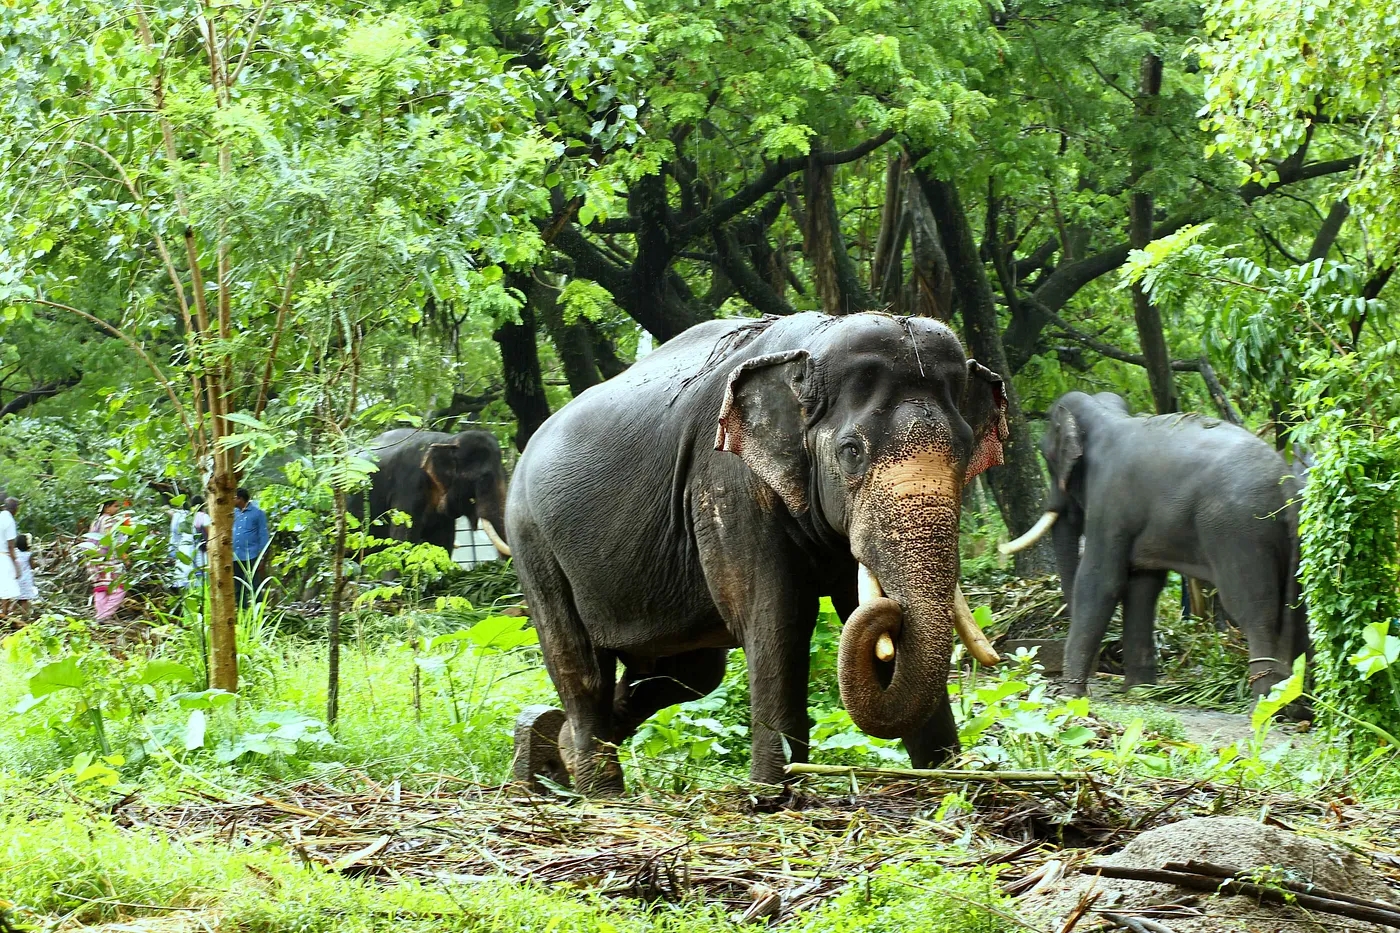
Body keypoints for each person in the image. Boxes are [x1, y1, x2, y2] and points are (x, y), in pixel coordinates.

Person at [84, 499, 129, 622]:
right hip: (107, 560)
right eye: (115, 506)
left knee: (101, 589)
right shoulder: (109, 521)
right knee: (119, 589)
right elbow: (114, 540)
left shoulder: (96, 521)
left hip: (94, 559)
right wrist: (124, 556)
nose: (117, 509)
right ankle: (103, 616)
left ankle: (100, 616)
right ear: (107, 508)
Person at [232, 487, 270, 607]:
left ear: (240, 499)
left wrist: (262, 556)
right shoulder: (233, 513)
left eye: (234, 498)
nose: (231, 500)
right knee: (238, 586)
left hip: (251, 555)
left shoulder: (257, 513)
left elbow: (263, 535)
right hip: (235, 555)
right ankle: (242, 611)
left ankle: (259, 610)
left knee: (254, 585)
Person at [170, 495, 210, 588]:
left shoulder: (186, 517)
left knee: (187, 571)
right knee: (201, 572)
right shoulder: (203, 516)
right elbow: (209, 533)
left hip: (186, 548)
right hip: (200, 549)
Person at [0, 497, 19, 617]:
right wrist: (16, 565)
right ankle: (4, 613)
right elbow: (11, 546)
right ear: (15, 509)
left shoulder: (1, 516)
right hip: (4, 557)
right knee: (6, 588)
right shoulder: (9, 521)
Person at [14, 534, 35, 618]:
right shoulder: (28, 554)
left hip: (15, 578)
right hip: (25, 579)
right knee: (24, 600)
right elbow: (33, 565)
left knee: (15, 599)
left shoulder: (14, 553)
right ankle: (24, 616)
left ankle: (12, 614)